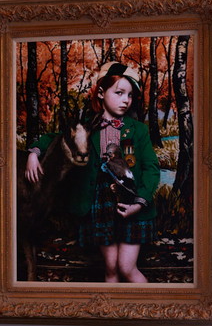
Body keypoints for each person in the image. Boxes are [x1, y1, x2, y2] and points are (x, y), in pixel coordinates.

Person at [26, 62, 159, 283]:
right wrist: (34, 152)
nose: (126, 100)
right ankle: (113, 316)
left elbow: (151, 169)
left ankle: (151, 314)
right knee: (111, 269)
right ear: (100, 92)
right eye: (119, 93)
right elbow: (55, 138)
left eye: (130, 95)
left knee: (126, 267)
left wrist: (139, 201)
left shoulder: (139, 130)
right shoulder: (87, 127)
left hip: (131, 203)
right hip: (100, 205)